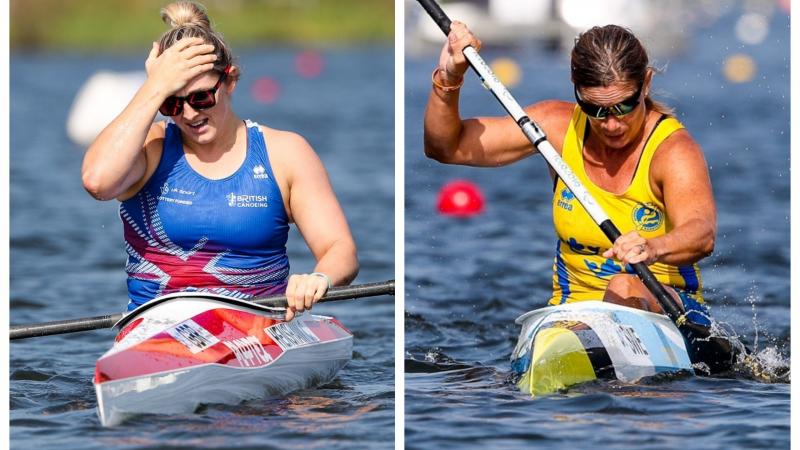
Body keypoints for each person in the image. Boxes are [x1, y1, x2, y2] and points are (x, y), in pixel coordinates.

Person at [424, 22, 726, 362]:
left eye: (623, 106)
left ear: (646, 84)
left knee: (624, 286)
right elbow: (446, 148)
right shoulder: (555, 127)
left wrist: (654, 247)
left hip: (670, 314)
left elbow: (702, 233)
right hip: (573, 320)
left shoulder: (672, 150)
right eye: (595, 109)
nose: (611, 124)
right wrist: (448, 80)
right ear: (576, 89)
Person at [82, 1, 358, 321]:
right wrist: (154, 87)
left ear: (230, 81)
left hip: (257, 330)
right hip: (156, 331)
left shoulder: (285, 153)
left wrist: (318, 279)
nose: (189, 114)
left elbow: (340, 249)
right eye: (172, 103)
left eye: (201, 98)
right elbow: (97, 182)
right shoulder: (150, 148)